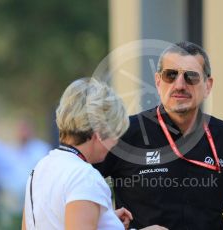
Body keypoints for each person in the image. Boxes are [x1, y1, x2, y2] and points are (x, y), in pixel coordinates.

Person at [95, 41, 223, 230]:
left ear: (208, 86)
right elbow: (75, 189)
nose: (180, 85)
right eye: (171, 75)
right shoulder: (125, 132)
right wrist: (107, 222)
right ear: (158, 82)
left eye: (191, 76)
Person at [22, 78, 167, 230]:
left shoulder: (41, 167)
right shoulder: (85, 176)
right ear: (100, 133)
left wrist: (106, 221)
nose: (116, 143)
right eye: (116, 133)